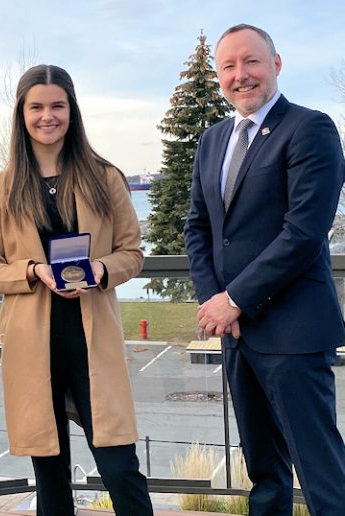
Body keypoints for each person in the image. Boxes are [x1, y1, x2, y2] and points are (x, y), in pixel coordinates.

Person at [0, 64, 153, 516]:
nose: (47, 116)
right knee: (50, 480)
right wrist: (34, 271)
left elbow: (132, 254)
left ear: (72, 111)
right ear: (22, 114)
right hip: (34, 349)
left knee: (120, 470)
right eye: (36, 107)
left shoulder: (105, 177)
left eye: (57, 105)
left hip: (93, 344)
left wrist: (99, 269)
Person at [184, 24, 345, 515]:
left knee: (321, 470)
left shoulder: (310, 129)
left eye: (251, 61)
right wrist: (215, 302)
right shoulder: (213, 139)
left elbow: (303, 233)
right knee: (265, 472)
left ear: (276, 64)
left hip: (293, 332)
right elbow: (198, 227)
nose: (241, 75)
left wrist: (234, 300)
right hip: (238, 334)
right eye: (229, 66)